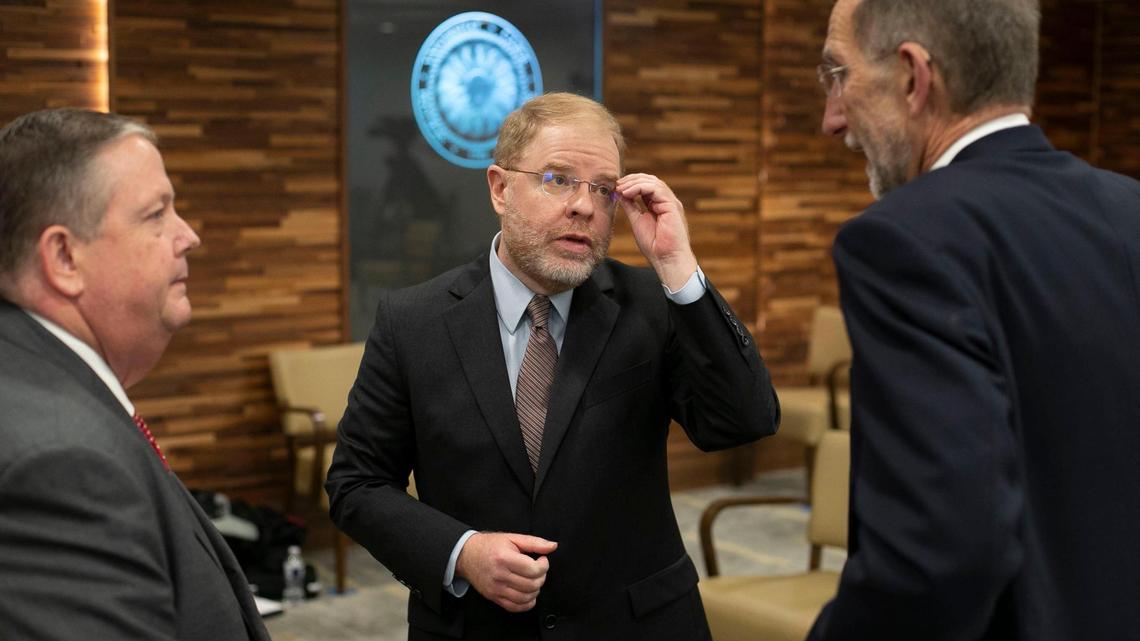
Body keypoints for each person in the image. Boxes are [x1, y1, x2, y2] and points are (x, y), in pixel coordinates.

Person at [327, 92, 779, 640]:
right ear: (499, 187)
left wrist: (678, 268)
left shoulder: (651, 303)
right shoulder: (413, 321)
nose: (585, 207)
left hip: (636, 625)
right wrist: (462, 553)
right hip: (477, 628)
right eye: (557, 179)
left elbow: (745, 419)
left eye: (604, 189)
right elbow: (358, 485)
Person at [809, 1, 1140, 640]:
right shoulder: (1130, 211)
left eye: (839, 75)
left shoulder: (905, 239)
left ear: (913, 77)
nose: (833, 119)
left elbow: (939, 554)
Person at [0, 108, 271, 641]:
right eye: (156, 215)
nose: (188, 235)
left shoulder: (41, 381)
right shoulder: (58, 463)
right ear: (63, 258)